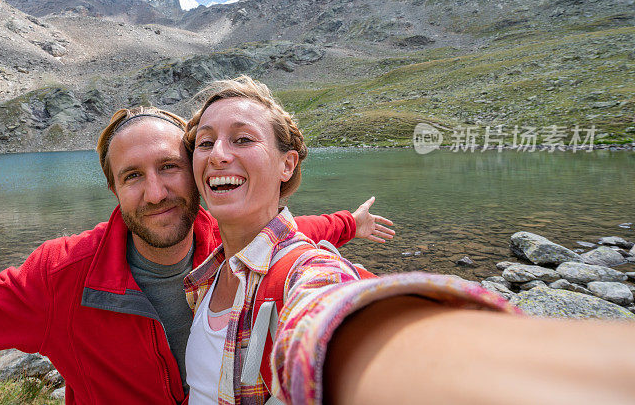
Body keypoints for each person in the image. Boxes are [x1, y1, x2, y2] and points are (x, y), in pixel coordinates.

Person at [0, 106, 394, 404]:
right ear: (113, 191)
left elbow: (305, 240)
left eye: (170, 167)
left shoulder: (228, 235)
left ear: (197, 173)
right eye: (132, 176)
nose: (155, 193)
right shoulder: (59, 278)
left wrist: (351, 224)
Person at [181, 76, 635, 405]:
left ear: (287, 165)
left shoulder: (306, 270)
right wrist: (350, 223)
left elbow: (326, 312)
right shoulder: (208, 271)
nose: (219, 154)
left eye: (242, 139)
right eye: (205, 142)